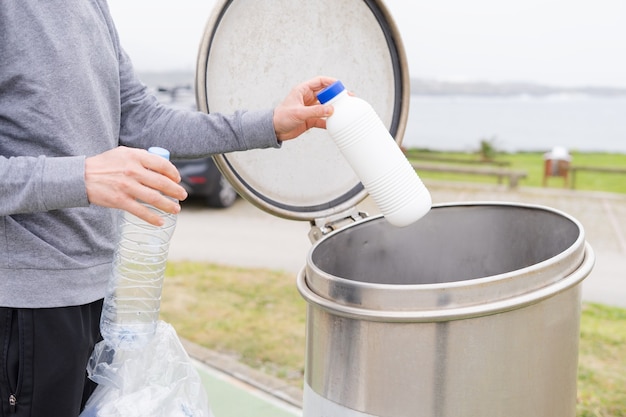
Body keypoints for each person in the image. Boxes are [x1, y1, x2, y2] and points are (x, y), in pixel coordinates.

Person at [0, 1, 335, 415]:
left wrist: (270, 123)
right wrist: (83, 176)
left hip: (103, 302)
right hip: (24, 307)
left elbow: (144, 119)